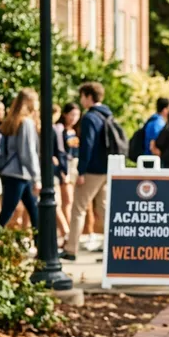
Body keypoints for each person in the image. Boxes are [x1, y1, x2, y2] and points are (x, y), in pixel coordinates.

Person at [61, 82, 112, 261]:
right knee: (104, 209)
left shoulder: (90, 117)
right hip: (106, 169)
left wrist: (81, 171)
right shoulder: (107, 115)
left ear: (89, 96)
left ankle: (71, 249)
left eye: (82, 96)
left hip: (92, 170)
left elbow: (87, 146)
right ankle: (113, 248)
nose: (81, 100)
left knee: (78, 208)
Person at [0, 89, 40, 230]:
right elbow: (27, 153)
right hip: (19, 174)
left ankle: (40, 242)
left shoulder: (13, 121)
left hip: (16, 173)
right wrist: (37, 177)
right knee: (7, 213)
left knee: (34, 211)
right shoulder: (26, 122)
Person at [56, 103, 81, 236]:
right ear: (65, 114)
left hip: (76, 166)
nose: (74, 118)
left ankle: (72, 231)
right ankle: (68, 232)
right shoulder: (61, 130)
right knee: (68, 200)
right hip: (66, 166)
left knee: (75, 200)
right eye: (72, 114)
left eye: (77, 115)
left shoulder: (77, 130)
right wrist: (63, 170)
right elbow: (61, 152)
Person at [51, 104, 70, 238]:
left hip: (53, 171)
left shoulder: (54, 129)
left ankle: (65, 232)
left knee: (57, 203)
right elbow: (60, 151)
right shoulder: (55, 129)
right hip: (52, 170)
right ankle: (65, 232)